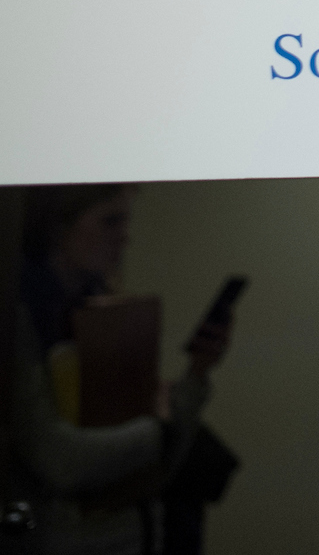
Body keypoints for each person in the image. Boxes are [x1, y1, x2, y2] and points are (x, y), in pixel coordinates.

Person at [6, 187, 231, 555]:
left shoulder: (108, 310)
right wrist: (159, 429)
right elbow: (59, 459)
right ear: (57, 228)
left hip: (135, 532)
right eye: (110, 221)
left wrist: (198, 372)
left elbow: (161, 462)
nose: (125, 235)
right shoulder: (22, 318)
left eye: (126, 220)